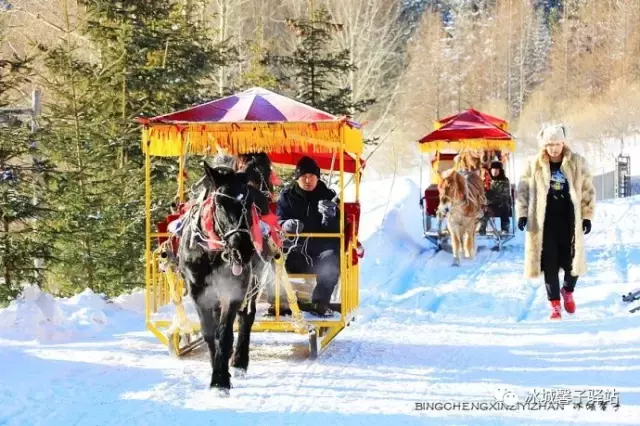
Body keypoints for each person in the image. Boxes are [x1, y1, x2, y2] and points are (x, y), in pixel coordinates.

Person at [515, 124, 596, 320]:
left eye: (557, 143)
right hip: (544, 223)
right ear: (544, 145)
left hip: (570, 221)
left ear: (563, 143)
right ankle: (555, 306)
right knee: (549, 263)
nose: (554, 148)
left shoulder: (576, 163)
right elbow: (523, 189)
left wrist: (586, 216)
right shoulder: (534, 164)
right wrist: (522, 214)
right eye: (550, 144)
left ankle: (567, 291)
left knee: (572, 261)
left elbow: (587, 190)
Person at [276, 156, 340, 317]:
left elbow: (338, 230)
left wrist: (330, 217)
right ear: (297, 178)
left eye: (312, 176)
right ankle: (280, 301)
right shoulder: (286, 197)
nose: (308, 180)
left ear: (318, 177)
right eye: (304, 176)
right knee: (273, 260)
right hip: (295, 249)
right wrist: (287, 224)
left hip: (322, 250)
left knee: (332, 260)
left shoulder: (330, 196)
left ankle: (320, 303)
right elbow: (278, 221)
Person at [479, 160, 512, 235]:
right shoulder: (488, 181)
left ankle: (505, 228)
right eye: (493, 169)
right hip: (490, 205)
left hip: (501, 205)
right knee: (483, 211)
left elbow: (501, 195)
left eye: (497, 169)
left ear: (500, 171)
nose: (495, 171)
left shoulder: (504, 181)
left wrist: (486, 191)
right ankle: (481, 230)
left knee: (504, 207)